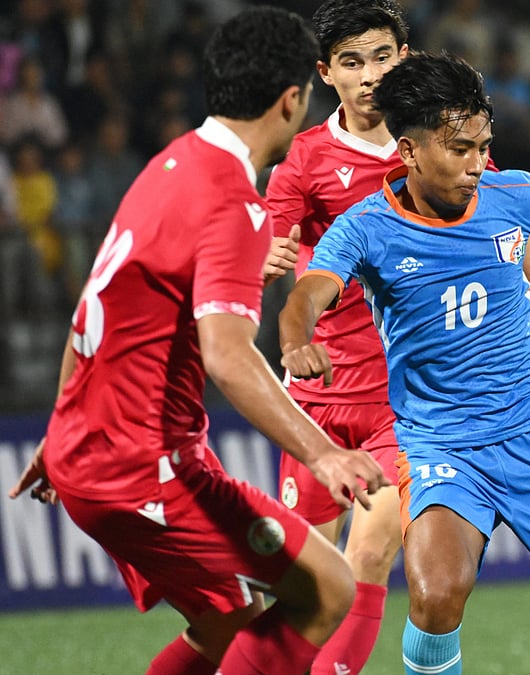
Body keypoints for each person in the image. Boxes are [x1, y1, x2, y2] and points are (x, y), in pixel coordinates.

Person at [278, 52, 530, 675]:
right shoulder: (366, 228)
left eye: (483, 146)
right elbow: (309, 292)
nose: (477, 165)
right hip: (441, 445)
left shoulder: (513, 195)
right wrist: (294, 341)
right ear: (411, 152)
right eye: (461, 150)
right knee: (438, 594)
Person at [6, 9, 389, 675]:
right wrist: (324, 452)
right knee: (327, 584)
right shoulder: (233, 202)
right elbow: (229, 355)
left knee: (228, 625)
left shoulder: (170, 162)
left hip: (88, 448)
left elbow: (93, 301)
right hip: (140, 462)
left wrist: (62, 425)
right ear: (293, 99)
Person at [261, 3, 530, 671]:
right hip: (318, 395)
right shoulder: (303, 160)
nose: (369, 76)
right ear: (327, 74)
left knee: (368, 555)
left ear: (405, 57)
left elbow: (508, 219)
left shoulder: (447, 141)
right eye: (352, 63)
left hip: (406, 400)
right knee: (302, 577)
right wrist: (265, 263)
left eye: (382, 57)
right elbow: (269, 247)